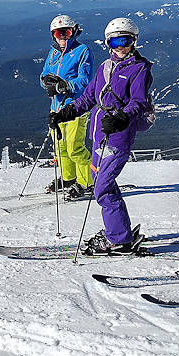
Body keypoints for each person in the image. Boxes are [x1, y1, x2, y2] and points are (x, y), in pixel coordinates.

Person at [48, 17, 153, 255]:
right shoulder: (105, 67)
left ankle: (118, 239)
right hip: (98, 136)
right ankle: (120, 232)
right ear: (108, 42)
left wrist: (121, 118)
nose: (120, 46)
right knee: (102, 185)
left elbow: (138, 102)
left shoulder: (140, 69)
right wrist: (64, 113)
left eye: (125, 40)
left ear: (133, 41)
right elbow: (87, 98)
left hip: (118, 137)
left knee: (103, 188)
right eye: (115, 41)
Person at [40, 15, 95, 198]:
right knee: (60, 147)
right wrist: (47, 83)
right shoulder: (53, 53)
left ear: (74, 32)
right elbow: (44, 74)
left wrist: (66, 86)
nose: (62, 36)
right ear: (53, 35)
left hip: (75, 108)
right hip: (56, 108)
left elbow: (84, 79)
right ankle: (69, 178)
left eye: (67, 32)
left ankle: (87, 182)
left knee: (74, 148)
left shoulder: (82, 51)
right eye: (58, 33)